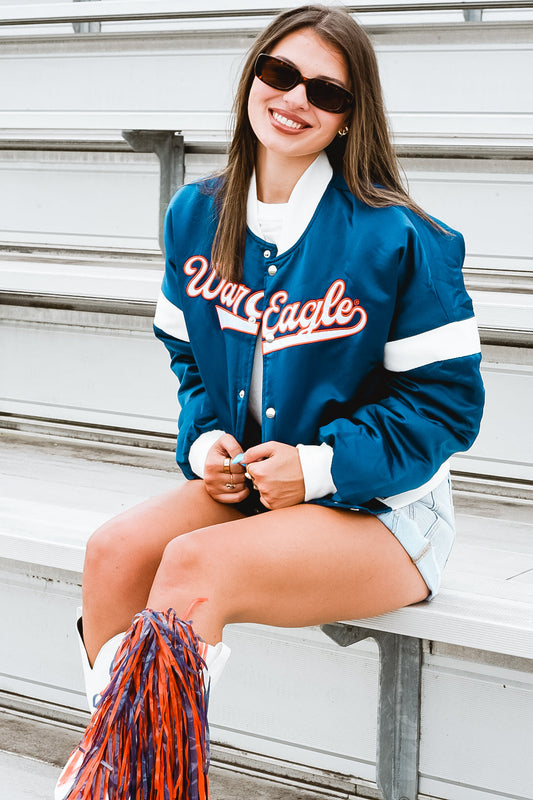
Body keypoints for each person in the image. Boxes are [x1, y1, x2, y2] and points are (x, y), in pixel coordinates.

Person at [55, 5, 484, 799]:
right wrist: (207, 439)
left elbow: (446, 407)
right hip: (256, 486)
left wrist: (319, 468)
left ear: (352, 118)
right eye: (280, 73)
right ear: (253, 74)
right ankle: (122, 780)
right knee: (113, 551)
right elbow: (188, 357)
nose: (294, 99)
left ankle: (132, 785)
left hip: (385, 512)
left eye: (326, 91)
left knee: (193, 565)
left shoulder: (402, 238)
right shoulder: (197, 214)